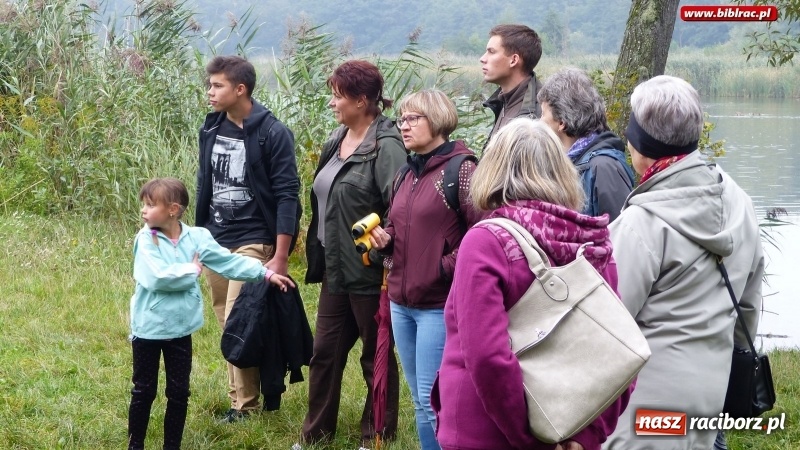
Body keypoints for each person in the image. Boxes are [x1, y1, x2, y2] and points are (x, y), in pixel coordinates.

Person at [432, 118, 633, 450]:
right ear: (562, 170)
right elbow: (620, 347)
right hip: (573, 424)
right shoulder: (591, 241)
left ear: (493, 170)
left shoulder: (485, 242)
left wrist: (531, 441)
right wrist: (588, 435)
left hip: (486, 432)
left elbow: (488, 358)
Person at [602, 76, 765, 449]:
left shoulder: (640, 224)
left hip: (642, 413)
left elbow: (608, 325)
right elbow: (748, 307)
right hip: (707, 401)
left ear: (640, 143)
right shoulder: (739, 201)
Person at [128, 178, 294, 450]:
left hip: (181, 329)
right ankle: (135, 446)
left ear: (173, 209)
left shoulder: (197, 238)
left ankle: (172, 446)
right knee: (144, 390)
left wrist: (265, 274)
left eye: (150, 205)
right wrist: (192, 271)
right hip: (148, 329)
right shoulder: (146, 240)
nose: (143, 210)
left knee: (179, 393)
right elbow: (156, 278)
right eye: (143, 204)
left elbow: (228, 263)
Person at [301, 60, 406, 447]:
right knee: (324, 353)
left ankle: (376, 437)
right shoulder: (337, 138)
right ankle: (315, 436)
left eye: (338, 96)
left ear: (362, 101)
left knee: (374, 355)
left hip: (368, 270)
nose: (332, 103)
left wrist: (381, 251)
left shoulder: (386, 146)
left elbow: (400, 209)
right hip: (335, 267)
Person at [369, 89, 481, 450]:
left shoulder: (462, 170)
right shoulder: (405, 172)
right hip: (401, 302)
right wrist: (385, 239)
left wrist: (441, 269)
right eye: (401, 119)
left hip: (438, 305)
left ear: (437, 119)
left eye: (412, 119)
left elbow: (482, 233)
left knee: (436, 404)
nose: (403, 126)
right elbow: (398, 225)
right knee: (420, 401)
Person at [195, 55, 300, 422]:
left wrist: (281, 255)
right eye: (209, 85)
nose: (210, 92)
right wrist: (198, 239)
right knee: (228, 323)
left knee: (241, 319)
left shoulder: (272, 132)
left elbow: (287, 195)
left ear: (240, 89)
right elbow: (204, 185)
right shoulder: (211, 127)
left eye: (217, 85)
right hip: (215, 239)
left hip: (255, 239)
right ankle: (239, 399)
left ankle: (246, 407)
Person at [537, 68, 634, 220]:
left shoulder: (604, 168)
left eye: (543, 113)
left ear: (561, 122)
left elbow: (620, 228)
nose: (539, 121)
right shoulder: (568, 162)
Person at [481, 24, 543, 145]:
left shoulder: (539, 111)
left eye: (491, 52)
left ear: (514, 60)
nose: (482, 59)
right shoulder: (504, 101)